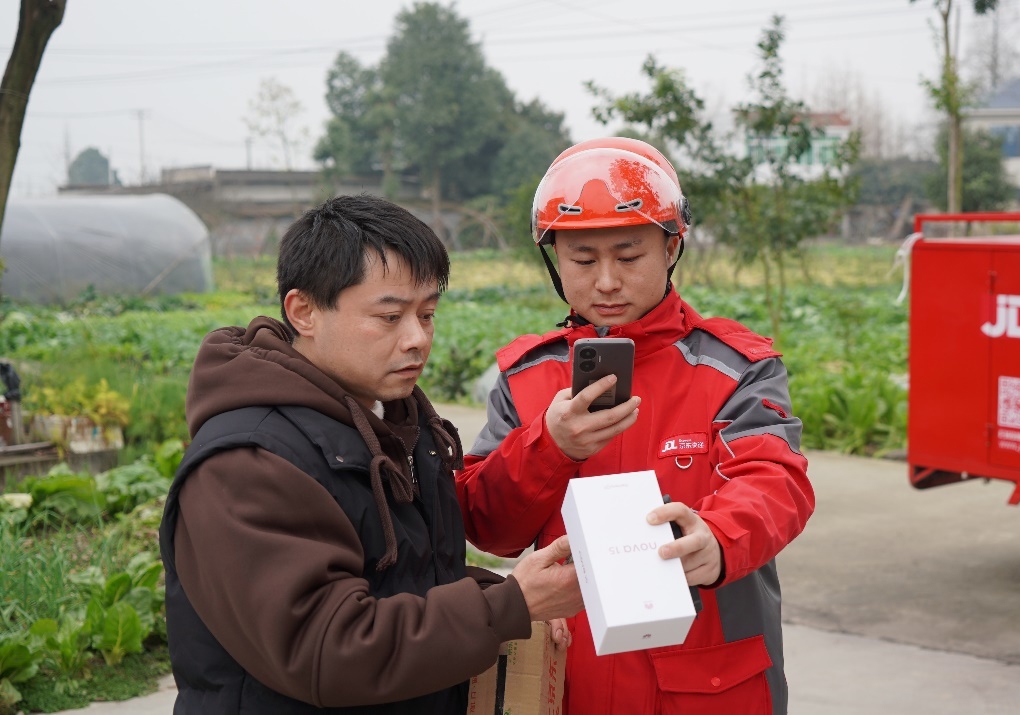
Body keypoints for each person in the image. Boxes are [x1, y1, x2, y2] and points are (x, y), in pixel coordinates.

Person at [157, 194, 583, 714]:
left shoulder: (400, 424)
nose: (417, 339)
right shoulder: (248, 462)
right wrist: (505, 606)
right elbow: (326, 649)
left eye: (427, 314)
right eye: (389, 316)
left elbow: (408, 582)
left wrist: (508, 596)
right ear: (304, 312)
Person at [456, 137, 815, 714]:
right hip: (568, 684)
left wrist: (719, 538)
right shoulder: (526, 379)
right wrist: (551, 447)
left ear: (672, 247)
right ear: (554, 259)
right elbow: (489, 526)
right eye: (582, 260)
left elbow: (775, 480)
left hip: (708, 688)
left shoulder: (736, 369)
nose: (606, 281)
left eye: (628, 257)